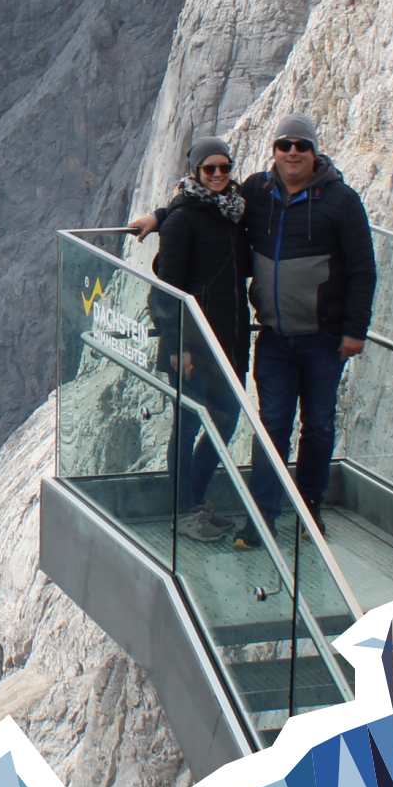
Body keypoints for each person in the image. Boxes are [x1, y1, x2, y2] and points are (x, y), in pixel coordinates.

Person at [134, 111, 375, 535]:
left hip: (284, 338)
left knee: (296, 423)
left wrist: (355, 329)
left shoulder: (289, 202)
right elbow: (173, 266)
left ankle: (298, 506)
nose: (293, 152)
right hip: (233, 341)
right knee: (234, 425)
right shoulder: (242, 198)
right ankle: (219, 511)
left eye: (224, 168)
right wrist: (160, 217)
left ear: (314, 151)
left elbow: (362, 267)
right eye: (285, 145)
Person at [144, 135, 250, 546]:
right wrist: (177, 347)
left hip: (229, 341)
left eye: (225, 167)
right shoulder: (182, 219)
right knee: (188, 426)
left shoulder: (234, 212)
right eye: (210, 169)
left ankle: (197, 499)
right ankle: (184, 510)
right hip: (192, 348)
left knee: (226, 420)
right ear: (196, 172)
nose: (219, 174)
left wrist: (160, 213)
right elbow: (166, 290)